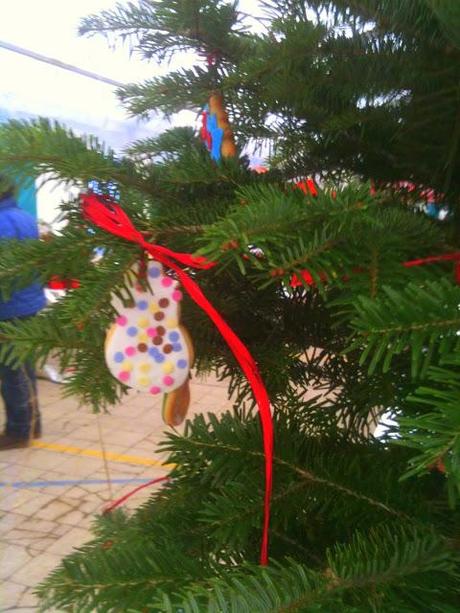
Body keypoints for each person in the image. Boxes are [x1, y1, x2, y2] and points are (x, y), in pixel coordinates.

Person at [0, 176, 46, 449]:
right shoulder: (24, 216)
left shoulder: (2, 223)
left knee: (11, 371)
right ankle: (33, 424)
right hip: (28, 303)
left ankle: (19, 431)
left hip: (8, 307)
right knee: (25, 367)